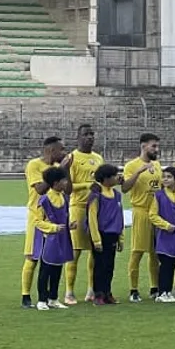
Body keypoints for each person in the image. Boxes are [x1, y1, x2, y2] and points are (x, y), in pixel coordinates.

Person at [21, 136, 68, 308]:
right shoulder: (34, 165)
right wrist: (57, 171)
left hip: (54, 218)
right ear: (51, 150)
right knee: (33, 257)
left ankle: (51, 297)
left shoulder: (58, 168)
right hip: (37, 216)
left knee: (54, 260)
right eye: (61, 149)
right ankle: (26, 295)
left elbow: (68, 189)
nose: (64, 153)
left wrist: (65, 171)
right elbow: (40, 190)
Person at [64, 124, 104, 305]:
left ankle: (91, 290)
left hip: (95, 208)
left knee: (94, 251)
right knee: (75, 251)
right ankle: (69, 292)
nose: (90, 137)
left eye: (92, 134)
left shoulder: (98, 158)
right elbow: (67, 186)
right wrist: (87, 185)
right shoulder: (71, 158)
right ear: (78, 137)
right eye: (86, 134)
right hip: (78, 207)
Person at [123, 133, 163, 303]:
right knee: (138, 251)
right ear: (143, 146)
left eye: (157, 146)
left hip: (157, 213)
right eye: (153, 146)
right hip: (141, 212)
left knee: (155, 253)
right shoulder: (132, 166)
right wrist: (138, 172)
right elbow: (125, 188)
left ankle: (155, 288)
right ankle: (133, 289)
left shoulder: (157, 165)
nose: (156, 149)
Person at [34, 166, 74, 310]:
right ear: (55, 183)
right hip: (49, 239)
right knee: (46, 269)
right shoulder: (44, 199)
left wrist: (70, 225)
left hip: (62, 238)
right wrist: (53, 228)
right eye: (63, 180)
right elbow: (37, 221)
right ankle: (41, 300)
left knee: (58, 268)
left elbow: (65, 216)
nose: (66, 183)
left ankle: (53, 298)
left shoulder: (64, 197)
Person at [150, 166, 175, 304]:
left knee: (173, 263)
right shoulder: (159, 195)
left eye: (169, 177)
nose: (165, 179)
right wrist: (166, 226)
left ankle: (168, 291)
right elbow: (153, 215)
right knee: (165, 263)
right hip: (165, 235)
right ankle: (161, 292)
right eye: (164, 177)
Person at [87, 164, 123, 306]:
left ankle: (108, 293)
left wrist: (121, 237)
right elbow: (92, 218)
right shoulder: (96, 195)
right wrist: (96, 240)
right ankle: (98, 294)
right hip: (101, 234)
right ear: (106, 178)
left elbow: (119, 216)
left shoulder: (117, 195)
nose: (117, 177)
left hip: (113, 234)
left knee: (109, 266)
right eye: (114, 175)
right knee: (100, 266)